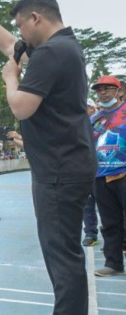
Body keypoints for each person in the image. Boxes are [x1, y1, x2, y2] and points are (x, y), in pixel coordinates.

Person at [0, 0, 97, 314]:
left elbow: (22, 107)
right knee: (65, 255)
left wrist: (10, 78)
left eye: (22, 25)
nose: (21, 35)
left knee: (62, 258)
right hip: (66, 166)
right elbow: (8, 45)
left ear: (35, 18)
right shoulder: (63, 47)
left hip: (59, 170)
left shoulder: (51, 53)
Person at [90, 75, 126, 276]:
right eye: (99, 89)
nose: (103, 92)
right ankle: (113, 264)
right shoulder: (93, 119)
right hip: (101, 177)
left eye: (108, 88)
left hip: (124, 173)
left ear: (119, 91)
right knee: (110, 223)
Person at [82, 98, 100, 247]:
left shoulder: (102, 122)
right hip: (85, 170)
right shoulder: (78, 124)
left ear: (93, 109)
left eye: (88, 107)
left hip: (105, 169)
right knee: (87, 205)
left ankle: (117, 235)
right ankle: (90, 233)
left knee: (108, 206)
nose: (85, 109)